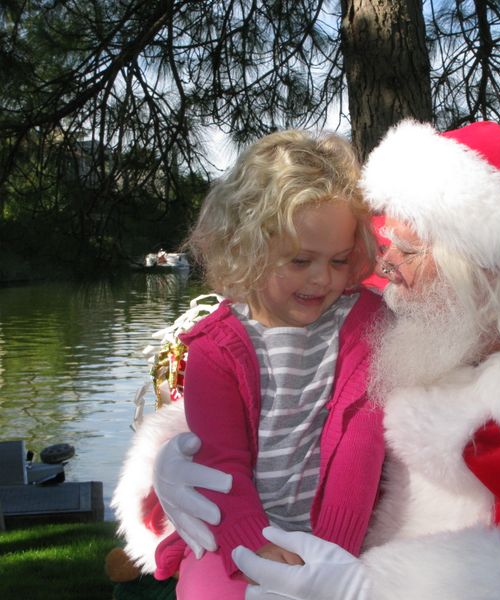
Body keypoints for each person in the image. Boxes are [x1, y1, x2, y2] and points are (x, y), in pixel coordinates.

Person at [131, 120, 500, 599]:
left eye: (408, 251)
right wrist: (173, 468)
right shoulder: (423, 326)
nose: (382, 268)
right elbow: (279, 405)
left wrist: (376, 590)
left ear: (487, 274)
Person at [112, 130, 385, 599]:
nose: (323, 278)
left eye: (339, 260)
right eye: (301, 260)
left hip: (344, 540)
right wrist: (254, 547)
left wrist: (330, 554)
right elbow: (221, 466)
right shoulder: (215, 349)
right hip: (240, 527)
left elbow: (363, 441)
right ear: (248, 248)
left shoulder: (365, 324)